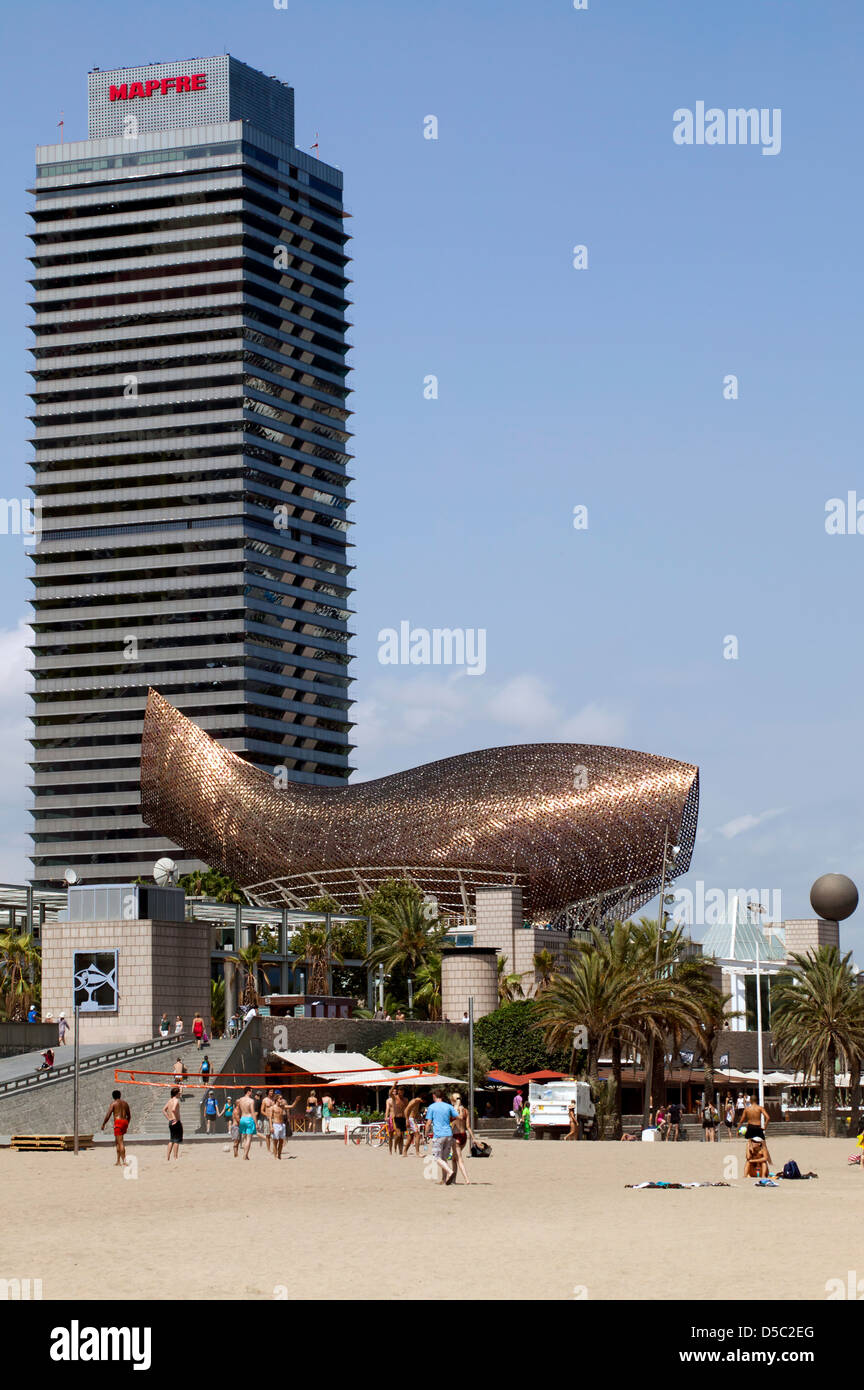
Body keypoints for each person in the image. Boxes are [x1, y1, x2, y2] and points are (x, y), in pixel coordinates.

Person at [424, 1088, 458, 1184]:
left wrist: (425, 1134)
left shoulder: (432, 1107)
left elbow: (429, 1122)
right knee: (444, 1158)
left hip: (439, 1135)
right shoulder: (448, 1106)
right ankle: (444, 1179)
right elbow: (457, 1115)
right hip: (449, 1134)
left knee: (436, 1157)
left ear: (434, 1096)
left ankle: (450, 1172)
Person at [449, 1092, 476, 1184]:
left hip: (456, 1136)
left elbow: (452, 1125)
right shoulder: (465, 1110)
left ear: (453, 1101)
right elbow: (468, 1126)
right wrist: (473, 1138)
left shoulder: (453, 1110)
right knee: (454, 1158)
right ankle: (454, 1180)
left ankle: (467, 1179)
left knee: (459, 1159)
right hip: (464, 1136)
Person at [101, 1089, 131, 1166]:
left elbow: (108, 1114)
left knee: (120, 1142)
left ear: (113, 1096)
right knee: (117, 1141)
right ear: (120, 1095)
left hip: (118, 1122)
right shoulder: (125, 1103)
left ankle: (124, 1161)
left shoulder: (114, 1103)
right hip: (124, 1121)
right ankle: (118, 1161)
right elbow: (129, 1115)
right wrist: (127, 1123)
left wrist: (104, 1123)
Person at [236, 1088, 258, 1159]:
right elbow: (252, 1112)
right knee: (249, 1138)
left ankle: (246, 1155)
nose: (252, 1093)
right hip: (249, 1119)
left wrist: (238, 1119)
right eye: (251, 1091)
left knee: (245, 1138)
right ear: (248, 1092)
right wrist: (256, 1123)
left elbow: (238, 1110)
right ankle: (245, 1155)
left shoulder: (240, 1099)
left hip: (242, 1118)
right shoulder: (251, 1101)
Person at [163, 1087, 183, 1160]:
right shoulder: (176, 1100)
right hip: (175, 1121)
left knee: (171, 1140)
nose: (180, 1093)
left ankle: (168, 1157)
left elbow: (164, 1110)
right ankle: (175, 1157)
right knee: (176, 1140)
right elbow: (174, 1109)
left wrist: (169, 1119)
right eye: (179, 1092)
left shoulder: (170, 1100)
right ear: (177, 1093)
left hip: (170, 1121)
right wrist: (176, 1119)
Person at [271, 1091, 288, 1159]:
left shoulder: (282, 1107)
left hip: (282, 1125)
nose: (281, 1099)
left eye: (281, 1098)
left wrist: (296, 1101)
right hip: (276, 1124)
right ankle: (275, 1156)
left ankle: (279, 1155)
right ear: (277, 1099)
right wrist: (271, 1126)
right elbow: (270, 1118)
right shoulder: (273, 1107)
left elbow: (291, 1106)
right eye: (280, 1098)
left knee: (281, 1142)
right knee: (275, 1142)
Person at [392, 1087, 407, 1155]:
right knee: (398, 1135)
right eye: (400, 1091)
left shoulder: (405, 1100)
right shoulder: (395, 1098)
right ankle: (394, 1147)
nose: (401, 1092)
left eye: (402, 1091)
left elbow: (407, 1109)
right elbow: (390, 1092)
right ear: (398, 1091)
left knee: (402, 1136)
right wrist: (394, 1085)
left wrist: (407, 1119)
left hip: (403, 1118)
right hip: (397, 1118)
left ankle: (400, 1151)